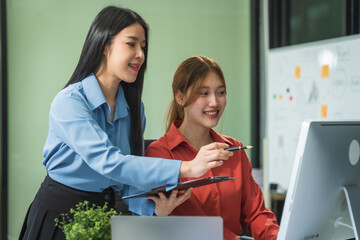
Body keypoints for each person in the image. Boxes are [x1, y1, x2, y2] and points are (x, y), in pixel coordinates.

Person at [19, 7, 232, 240]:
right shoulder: (70, 101)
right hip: (59, 217)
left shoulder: (133, 107)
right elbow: (109, 162)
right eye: (131, 44)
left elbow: (127, 178)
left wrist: (155, 208)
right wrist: (188, 167)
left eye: (143, 46)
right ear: (104, 45)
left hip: (106, 215)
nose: (140, 54)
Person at [146, 56, 280, 240]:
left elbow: (256, 213)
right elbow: (193, 225)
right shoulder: (159, 153)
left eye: (220, 92)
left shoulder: (234, 150)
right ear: (180, 96)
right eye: (204, 93)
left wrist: (278, 237)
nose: (214, 102)